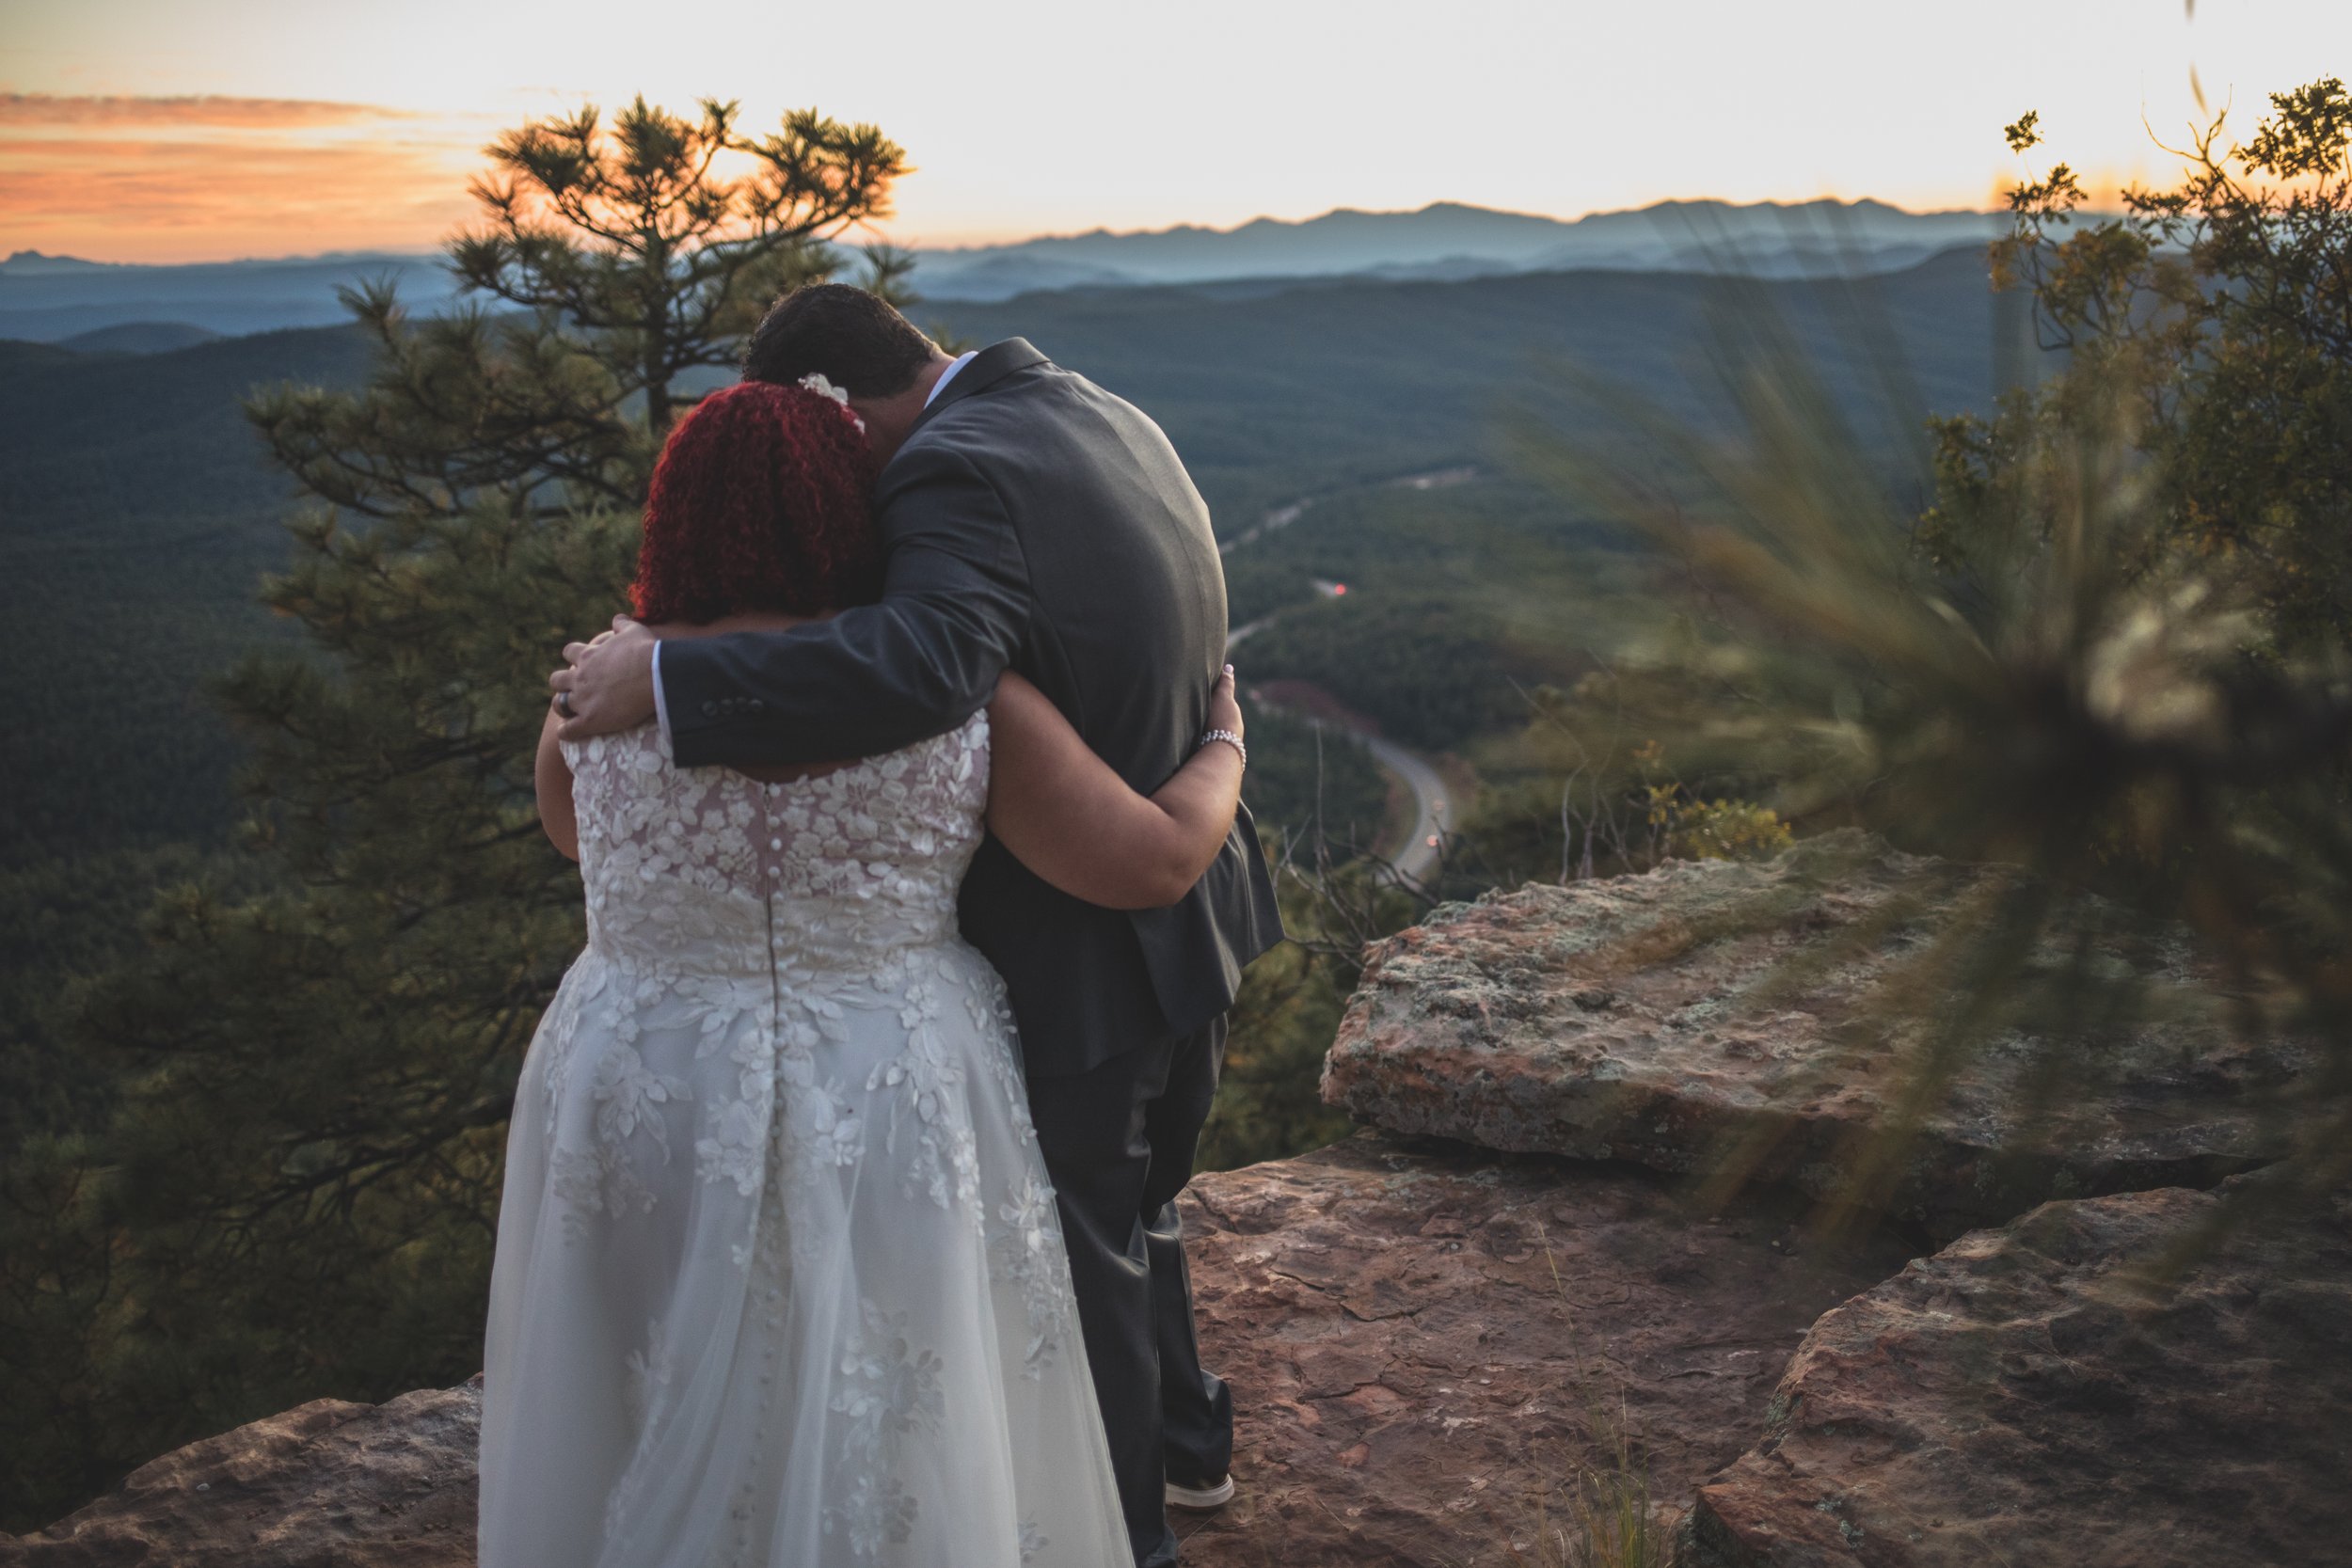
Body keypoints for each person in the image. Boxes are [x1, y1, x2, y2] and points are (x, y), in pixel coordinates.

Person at [555, 286, 1282, 1567]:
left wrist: (665, 678)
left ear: (842, 408)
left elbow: (927, 660)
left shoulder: (949, 464)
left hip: (1083, 941)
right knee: (1138, 1207)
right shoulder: (1093, 409)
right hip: (1181, 916)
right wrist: (1225, 742)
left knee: (1085, 1258)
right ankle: (1190, 1439)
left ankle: (1131, 1535)